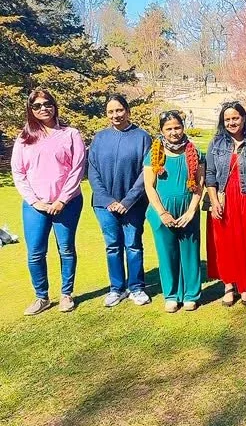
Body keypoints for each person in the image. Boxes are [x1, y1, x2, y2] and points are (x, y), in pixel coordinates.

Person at [11, 88, 86, 315]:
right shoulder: (24, 138)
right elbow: (18, 172)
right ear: (31, 110)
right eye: (37, 106)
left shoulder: (70, 134)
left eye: (47, 104)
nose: (43, 108)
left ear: (54, 106)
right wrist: (35, 202)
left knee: (66, 249)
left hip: (67, 204)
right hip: (36, 207)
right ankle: (41, 297)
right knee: (35, 252)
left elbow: (77, 169)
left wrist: (62, 200)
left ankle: (66, 294)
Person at [88, 94, 153, 307]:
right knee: (112, 246)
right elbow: (93, 171)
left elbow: (146, 173)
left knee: (133, 245)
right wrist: (108, 200)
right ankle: (116, 288)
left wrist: (127, 201)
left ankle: (136, 288)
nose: (115, 115)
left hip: (133, 204)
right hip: (104, 205)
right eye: (111, 111)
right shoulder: (100, 138)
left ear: (127, 111)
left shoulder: (142, 137)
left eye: (119, 110)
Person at [205, 101, 246, 306]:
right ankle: (228, 285)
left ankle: (245, 286)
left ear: (243, 119)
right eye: (227, 119)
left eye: (235, 118)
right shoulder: (216, 144)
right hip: (223, 199)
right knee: (224, 244)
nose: (231, 122)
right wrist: (214, 201)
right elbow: (210, 174)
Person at [144, 111, 204, 312]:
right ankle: (171, 295)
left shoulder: (194, 152)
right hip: (162, 212)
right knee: (167, 253)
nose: (174, 132)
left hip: (188, 211)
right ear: (162, 130)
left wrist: (191, 211)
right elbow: (149, 186)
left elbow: (200, 185)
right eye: (168, 129)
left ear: (183, 127)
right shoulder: (154, 154)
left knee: (190, 253)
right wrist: (162, 213)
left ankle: (191, 295)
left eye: (177, 127)